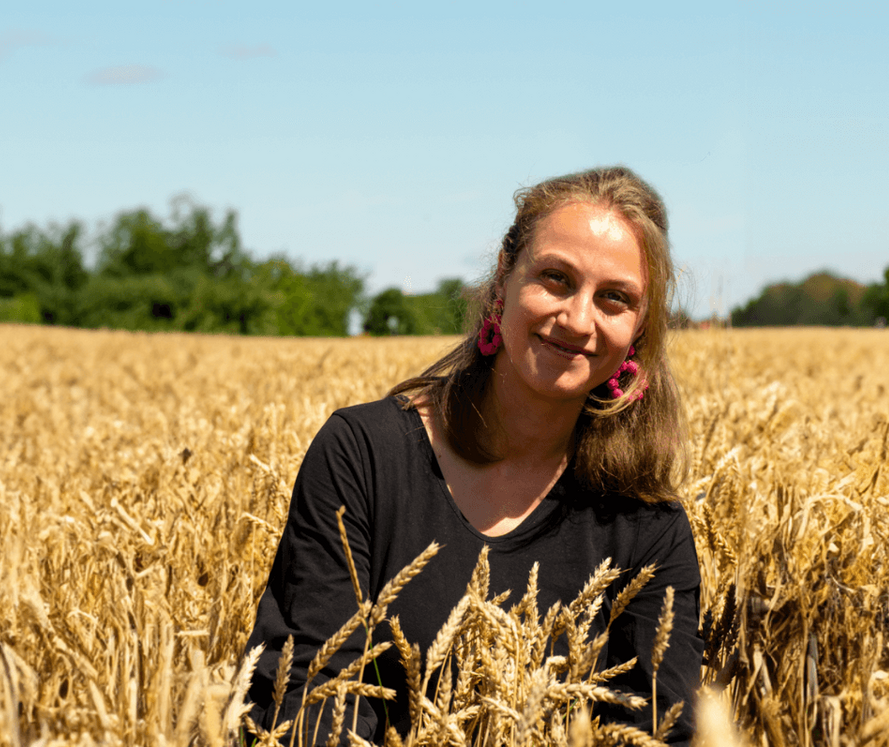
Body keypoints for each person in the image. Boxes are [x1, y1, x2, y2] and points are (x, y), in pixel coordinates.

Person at [243, 166, 703, 745]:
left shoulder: (648, 526)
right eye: (556, 278)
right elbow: (314, 707)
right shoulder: (363, 456)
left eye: (614, 298)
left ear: (637, 331)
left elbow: (661, 729)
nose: (578, 319)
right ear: (501, 284)